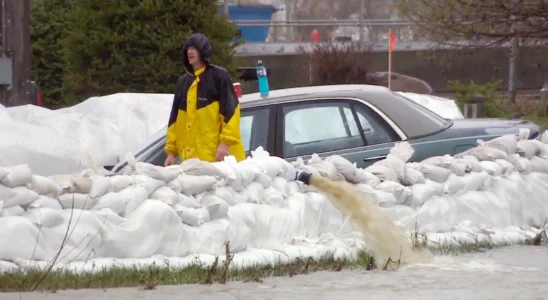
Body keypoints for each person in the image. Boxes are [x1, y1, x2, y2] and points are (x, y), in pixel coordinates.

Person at [164, 33, 245, 166]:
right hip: (191, 162)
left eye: (194, 48)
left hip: (219, 160)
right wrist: (171, 153)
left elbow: (231, 113)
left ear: (203, 50)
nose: (190, 51)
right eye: (188, 49)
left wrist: (225, 143)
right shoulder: (183, 82)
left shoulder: (219, 76)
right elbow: (174, 121)